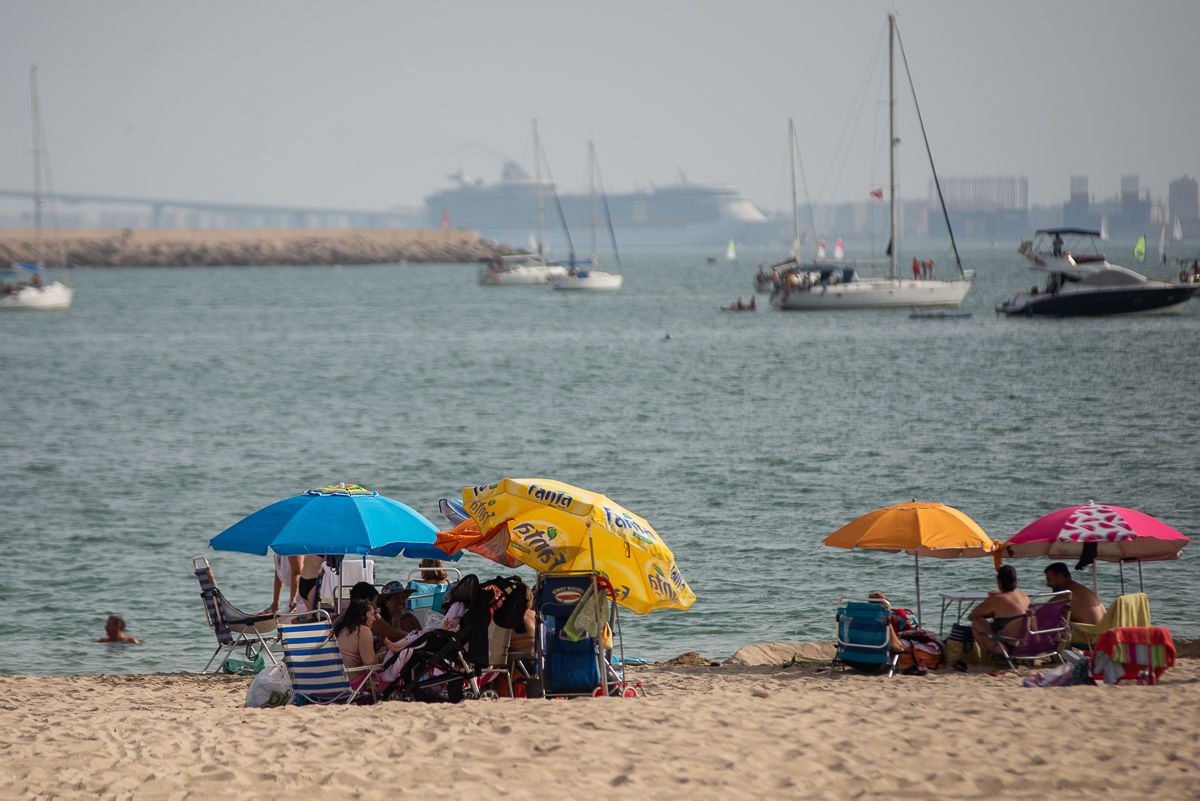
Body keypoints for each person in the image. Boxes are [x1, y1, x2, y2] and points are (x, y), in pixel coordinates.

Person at [968, 565, 1030, 657]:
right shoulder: (1024, 596)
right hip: (1024, 643)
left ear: (999, 582)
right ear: (1015, 581)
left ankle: (989, 657)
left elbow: (972, 615)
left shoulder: (997, 599)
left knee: (976, 622)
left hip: (1005, 646)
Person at [332, 600, 382, 685]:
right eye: (372, 614)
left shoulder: (339, 630)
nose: (374, 619)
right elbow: (371, 665)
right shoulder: (362, 630)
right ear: (363, 616)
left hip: (330, 687)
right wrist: (380, 657)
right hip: (351, 686)